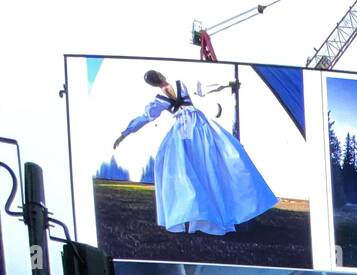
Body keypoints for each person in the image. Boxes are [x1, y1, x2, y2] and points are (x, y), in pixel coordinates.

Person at [113, 70, 276, 237]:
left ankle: (205, 213)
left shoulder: (166, 94)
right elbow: (202, 89)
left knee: (199, 166)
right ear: (160, 76)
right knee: (203, 165)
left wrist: (125, 133)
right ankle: (204, 213)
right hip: (192, 128)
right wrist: (226, 84)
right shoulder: (174, 88)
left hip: (188, 129)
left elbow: (146, 117)